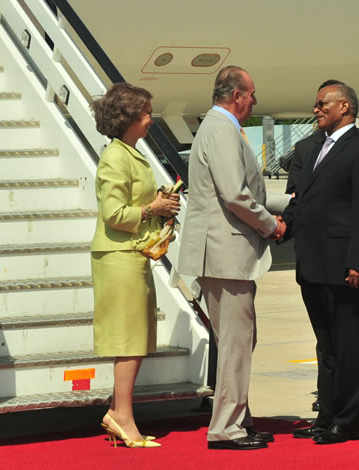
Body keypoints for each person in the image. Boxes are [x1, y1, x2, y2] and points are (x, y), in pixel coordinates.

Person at [177, 65, 286, 451]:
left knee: (238, 342)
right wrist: (271, 225)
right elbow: (236, 195)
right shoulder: (222, 129)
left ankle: (238, 418)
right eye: (251, 94)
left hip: (221, 253)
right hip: (226, 253)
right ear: (236, 95)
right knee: (237, 342)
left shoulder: (216, 127)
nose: (255, 101)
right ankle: (226, 427)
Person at [286, 80, 359, 413]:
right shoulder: (306, 149)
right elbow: (299, 197)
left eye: (322, 103)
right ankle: (332, 391)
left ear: (344, 106)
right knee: (331, 331)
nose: (316, 110)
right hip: (323, 253)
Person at [90, 82, 180, 448]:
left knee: (135, 338)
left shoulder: (127, 153)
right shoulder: (116, 156)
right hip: (119, 256)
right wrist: (152, 208)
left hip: (128, 254)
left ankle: (119, 411)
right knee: (129, 340)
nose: (151, 120)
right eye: (146, 114)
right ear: (128, 117)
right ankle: (122, 416)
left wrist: (159, 204)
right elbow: (113, 213)